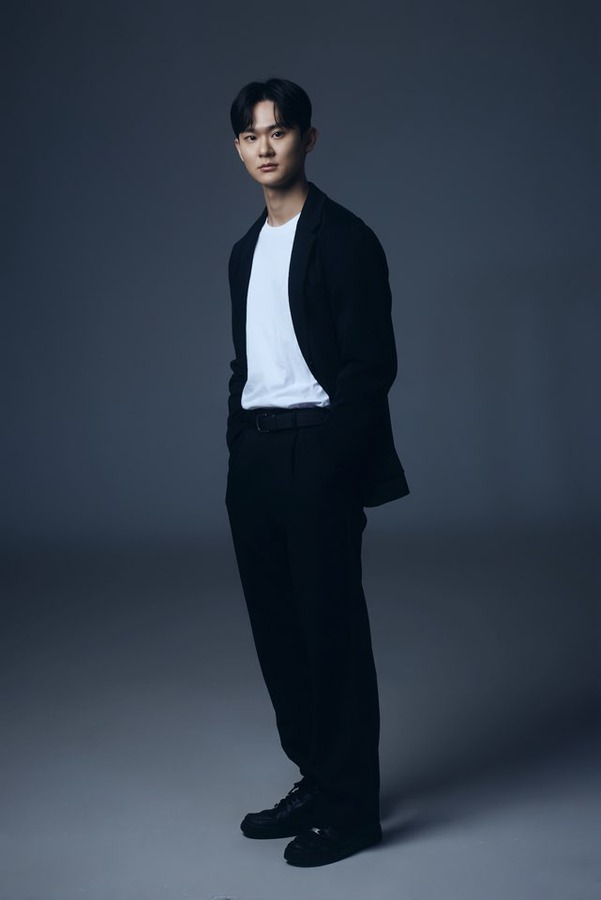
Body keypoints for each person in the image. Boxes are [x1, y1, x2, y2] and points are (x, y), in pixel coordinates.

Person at [225, 77, 409, 867]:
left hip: (317, 453)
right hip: (257, 460)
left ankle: (352, 810)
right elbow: (247, 363)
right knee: (279, 636)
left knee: (331, 634)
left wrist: (332, 460)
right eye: (250, 136)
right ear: (238, 148)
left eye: (278, 132)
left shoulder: (345, 238)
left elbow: (371, 367)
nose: (264, 148)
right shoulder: (244, 252)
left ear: (307, 138)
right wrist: (238, 441)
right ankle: (317, 780)